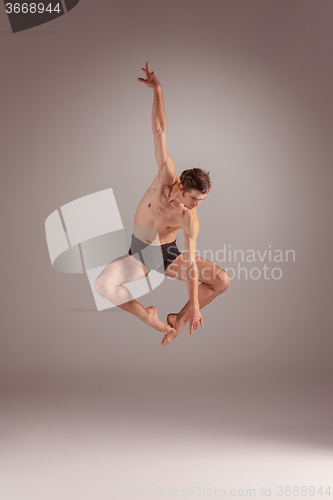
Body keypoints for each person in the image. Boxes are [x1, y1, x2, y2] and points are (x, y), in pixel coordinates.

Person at [95, 62, 231, 346]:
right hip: (140, 254)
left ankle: (177, 322)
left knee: (222, 281)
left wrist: (193, 304)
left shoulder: (189, 218)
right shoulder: (165, 175)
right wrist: (158, 91)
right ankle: (148, 316)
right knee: (103, 285)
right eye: (194, 198)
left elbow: (192, 264)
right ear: (181, 186)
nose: (196, 206)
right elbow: (159, 130)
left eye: (201, 201)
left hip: (167, 255)